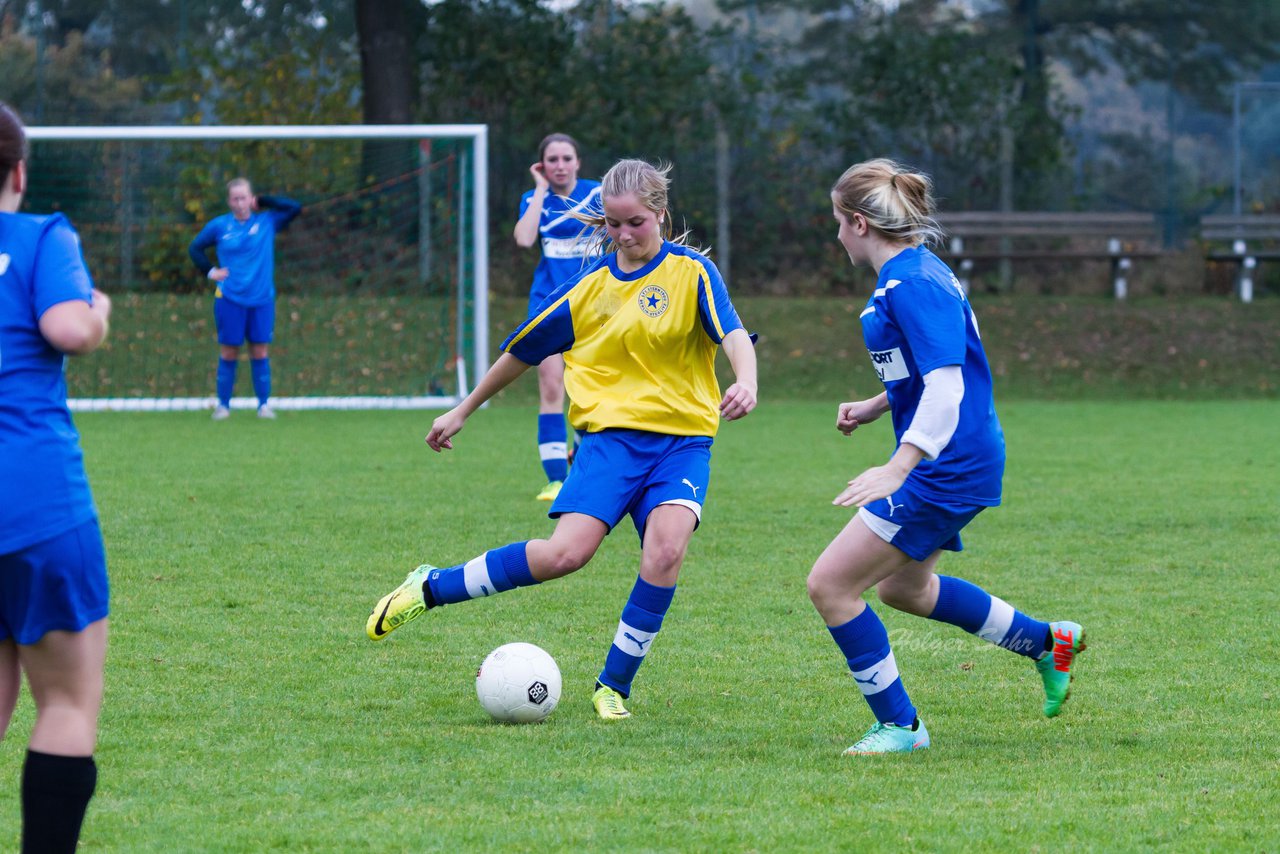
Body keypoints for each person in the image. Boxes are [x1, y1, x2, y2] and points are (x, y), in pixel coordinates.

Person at [366, 158, 758, 722]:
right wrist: (464, 409)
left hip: (682, 443)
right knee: (564, 555)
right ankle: (431, 587)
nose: (624, 236)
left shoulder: (693, 274)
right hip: (610, 444)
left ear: (661, 215)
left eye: (636, 223)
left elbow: (734, 333)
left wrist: (745, 380)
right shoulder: (590, 288)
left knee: (666, 550)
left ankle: (612, 686)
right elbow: (523, 350)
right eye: (614, 225)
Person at [807, 158, 1085, 755]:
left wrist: (898, 466)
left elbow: (948, 386)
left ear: (859, 222)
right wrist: (879, 405)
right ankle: (1045, 642)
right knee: (904, 589)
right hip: (956, 458)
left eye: (837, 223)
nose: (835, 236)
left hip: (944, 466)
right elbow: (929, 371)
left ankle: (901, 727)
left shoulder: (916, 284)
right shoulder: (912, 275)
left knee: (831, 586)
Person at [0, 102, 112, 854]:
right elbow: (68, 329)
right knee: (66, 704)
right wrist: (99, 308)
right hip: (33, 503)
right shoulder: (42, 235)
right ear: (18, 171)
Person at [512, 133, 602, 501]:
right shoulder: (534, 200)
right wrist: (538, 189)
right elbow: (523, 238)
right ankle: (556, 481)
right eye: (552, 160)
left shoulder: (599, 194)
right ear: (542, 165)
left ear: (578, 162)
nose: (560, 166)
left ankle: (578, 459)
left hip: (596, 308)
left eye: (567, 158)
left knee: (596, 392)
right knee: (551, 389)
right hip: (548, 307)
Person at [187, 177, 300, 420]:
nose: (240, 203)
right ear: (229, 201)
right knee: (229, 352)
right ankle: (223, 406)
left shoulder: (268, 221)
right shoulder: (219, 226)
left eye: (244, 197)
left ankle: (263, 405)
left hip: (261, 300)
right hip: (229, 299)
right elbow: (195, 248)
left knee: (259, 351)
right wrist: (210, 271)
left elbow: (294, 207)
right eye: (235, 198)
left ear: (251, 198)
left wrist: (264, 201)